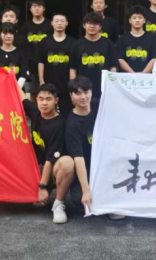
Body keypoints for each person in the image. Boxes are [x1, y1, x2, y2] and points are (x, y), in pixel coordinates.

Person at [20, 83, 74, 224]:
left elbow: (50, 161)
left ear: (56, 100)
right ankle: (40, 191)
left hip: (54, 167)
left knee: (68, 163)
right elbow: (20, 95)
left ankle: (58, 203)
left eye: (48, 99)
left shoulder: (60, 124)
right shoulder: (35, 111)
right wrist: (9, 76)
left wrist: (42, 187)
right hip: (38, 165)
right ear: (36, 99)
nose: (44, 103)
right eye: (41, 99)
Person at [69, 12, 116, 117]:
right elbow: (72, 69)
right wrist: (74, 89)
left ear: (100, 26)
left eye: (95, 23)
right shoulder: (77, 45)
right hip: (83, 91)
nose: (92, 26)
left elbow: (113, 67)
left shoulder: (108, 44)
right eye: (89, 23)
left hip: (103, 89)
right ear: (84, 25)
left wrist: (111, 86)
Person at [65, 76, 96, 216]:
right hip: (86, 166)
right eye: (78, 93)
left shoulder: (100, 107)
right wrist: (86, 190)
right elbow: (78, 158)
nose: (83, 97)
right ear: (71, 97)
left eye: (86, 92)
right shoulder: (72, 124)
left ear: (91, 92)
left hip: (103, 164)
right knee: (79, 199)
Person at [38, 13, 76, 116]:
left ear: (67, 23)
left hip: (65, 85)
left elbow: (74, 65)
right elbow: (41, 62)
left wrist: (72, 84)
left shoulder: (73, 42)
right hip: (49, 84)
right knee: (48, 113)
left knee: (66, 113)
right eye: (57, 21)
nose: (59, 23)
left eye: (62, 21)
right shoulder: (45, 42)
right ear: (52, 23)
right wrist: (41, 81)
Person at [22, 0, 54, 88]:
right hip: (30, 64)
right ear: (30, 9)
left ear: (44, 9)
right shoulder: (25, 26)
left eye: (39, 6)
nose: (37, 8)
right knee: (32, 90)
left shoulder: (50, 25)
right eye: (34, 6)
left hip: (47, 63)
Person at [0, 23, 31, 89]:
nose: (8, 36)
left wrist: (16, 89)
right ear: (0, 34)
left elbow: (23, 74)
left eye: (11, 33)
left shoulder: (21, 53)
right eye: (5, 33)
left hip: (17, 90)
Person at [116, 5, 156, 73]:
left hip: (147, 77)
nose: (137, 20)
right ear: (130, 20)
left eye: (140, 18)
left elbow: (154, 59)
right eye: (134, 18)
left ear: (144, 20)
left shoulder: (152, 39)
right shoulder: (122, 39)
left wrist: (143, 74)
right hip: (127, 77)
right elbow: (120, 59)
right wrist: (133, 74)